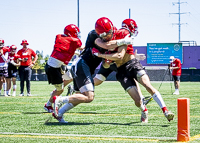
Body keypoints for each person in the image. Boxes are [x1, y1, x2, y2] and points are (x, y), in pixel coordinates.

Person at [52, 17, 144, 123]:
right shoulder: (94, 35)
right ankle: (59, 100)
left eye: (109, 33)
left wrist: (108, 60)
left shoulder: (113, 35)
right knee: (89, 97)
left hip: (85, 67)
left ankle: (59, 114)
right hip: (83, 64)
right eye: (104, 34)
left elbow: (106, 63)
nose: (107, 36)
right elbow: (106, 45)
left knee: (78, 97)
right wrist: (123, 41)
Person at [94, 18, 174, 122]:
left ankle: (166, 111)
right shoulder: (99, 40)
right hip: (121, 71)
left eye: (108, 34)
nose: (105, 37)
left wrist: (101, 54)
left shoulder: (122, 32)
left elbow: (119, 55)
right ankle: (144, 110)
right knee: (137, 101)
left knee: (148, 85)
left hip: (132, 65)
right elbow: (104, 58)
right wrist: (106, 60)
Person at [44, 24, 84, 113]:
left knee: (70, 78)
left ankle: (56, 91)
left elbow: (68, 49)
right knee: (60, 90)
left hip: (60, 65)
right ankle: (48, 105)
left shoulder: (62, 38)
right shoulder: (71, 40)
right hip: (53, 68)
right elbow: (79, 47)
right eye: (76, 33)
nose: (77, 35)